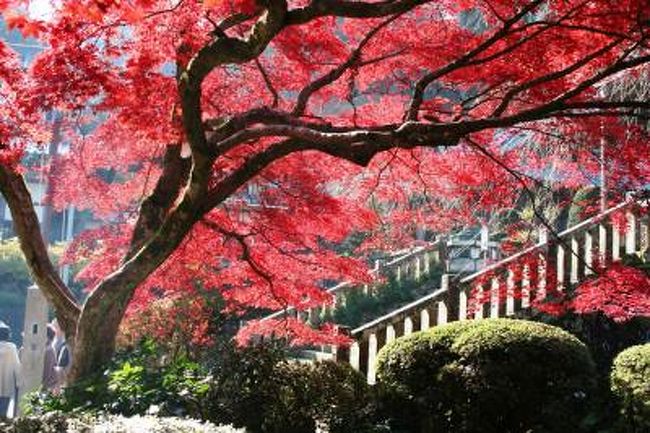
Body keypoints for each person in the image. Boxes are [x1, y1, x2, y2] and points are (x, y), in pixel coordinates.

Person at [0, 321, 21, 419]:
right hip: (7, 385)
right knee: (3, 412)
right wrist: (19, 382)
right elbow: (17, 366)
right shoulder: (12, 348)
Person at [42, 325, 58, 392]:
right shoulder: (47, 349)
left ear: (47, 337)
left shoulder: (49, 351)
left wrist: (42, 388)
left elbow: (47, 372)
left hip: (48, 387)